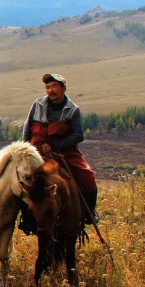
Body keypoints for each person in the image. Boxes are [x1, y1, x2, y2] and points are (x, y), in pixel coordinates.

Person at [21, 72, 99, 228]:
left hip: (65, 152)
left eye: (54, 86)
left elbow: (78, 135)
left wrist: (55, 145)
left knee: (88, 176)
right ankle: (27, 217)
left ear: (63, 88)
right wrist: (26, 149)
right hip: (37, 150)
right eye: (47, 87)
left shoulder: (72, 109)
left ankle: (89, 212)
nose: (51, 90)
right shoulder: (38, 104)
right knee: (22, 180)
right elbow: (27, 128)